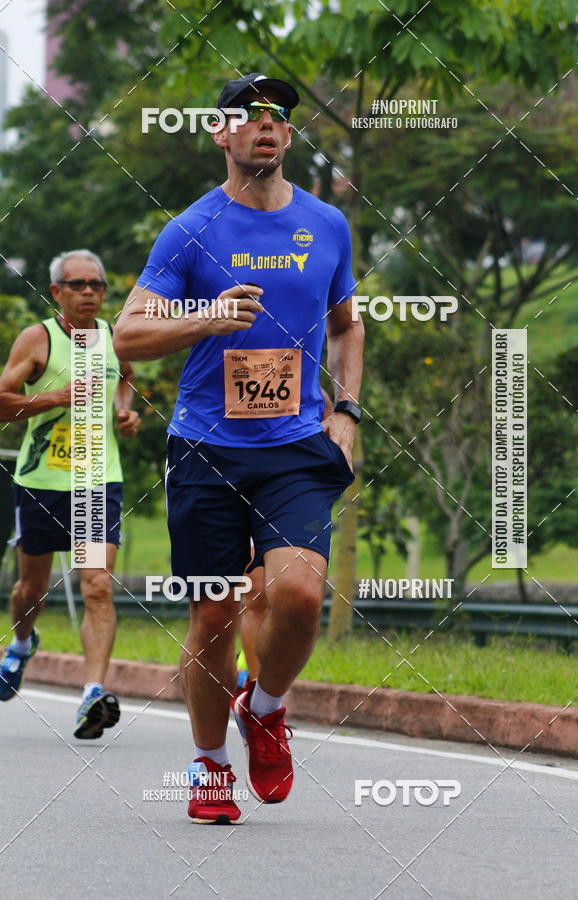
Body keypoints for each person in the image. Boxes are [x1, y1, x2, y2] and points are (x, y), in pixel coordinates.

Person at [114, 72, 364, 825]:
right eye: (247, 116)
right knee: (215, 618)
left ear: (287, 137)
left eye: (277, 117)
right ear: (221, 135)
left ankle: (265, 707)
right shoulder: (189, 230)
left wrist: (347, 409)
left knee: (298, 595)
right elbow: (128, 335)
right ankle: (210, 765)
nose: (265, 125)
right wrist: (206, 319)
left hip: (294, 447)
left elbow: (348, 324)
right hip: (207, 449)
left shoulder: (326, 225)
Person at [0, 249, 140, 739]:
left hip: (97, 481)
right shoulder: (37, 338)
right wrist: (53, 398)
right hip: (42, 483)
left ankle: (92, 694)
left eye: (96, 285)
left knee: (97, 586)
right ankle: (20, 645)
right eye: (77, 285)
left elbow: (125, 379)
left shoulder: (115, 338)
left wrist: (125, 412)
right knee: (30, 590)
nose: (87, 293)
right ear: (56, 291)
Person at [236, 388, 334, 693]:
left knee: (277, 592)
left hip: (285, 483)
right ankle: (251, 683)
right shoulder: (223, 351)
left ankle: (260, 700)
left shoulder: (295, 364)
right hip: (230, 469)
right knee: (254, 592)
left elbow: (324, 406)